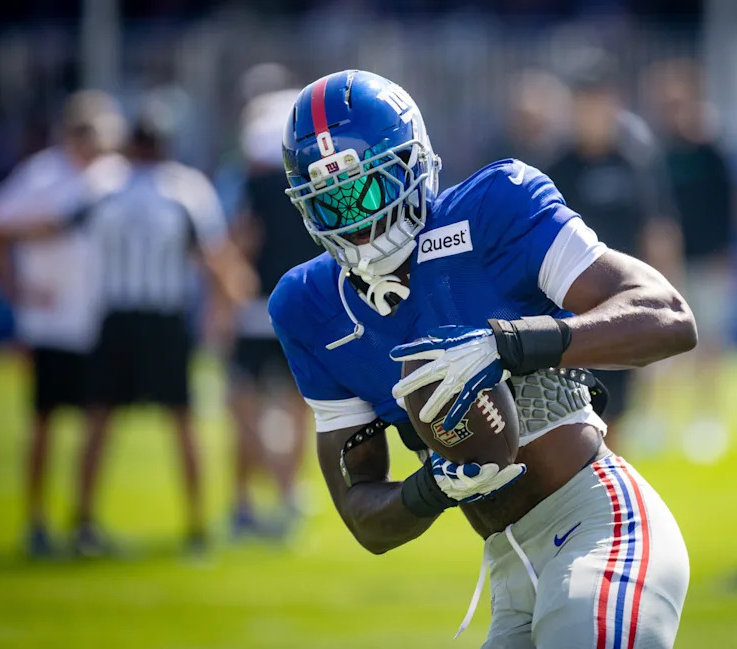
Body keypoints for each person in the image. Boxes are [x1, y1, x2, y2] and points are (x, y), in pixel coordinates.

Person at [270, 70, 696, 648]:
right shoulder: (309, 306)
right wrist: (434, 488)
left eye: (364, 189)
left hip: (599, 529)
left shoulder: (495, 208)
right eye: (330, 203)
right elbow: (363, 517)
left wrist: (509, 344)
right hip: (508, 574)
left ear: (413, 164)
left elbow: (668, 317)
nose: (354, 220)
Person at [75, 107, 256, 554]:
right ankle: (194, 527)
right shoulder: (181, 187)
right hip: (156, 318)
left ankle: (85, 522)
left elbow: (68, 231)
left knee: (109, 419)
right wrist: (238, 293)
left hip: (125, 316)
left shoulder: (105, 183)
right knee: (171, 421)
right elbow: (215, 255)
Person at [0, 90, 126, 557]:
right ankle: (36, 522)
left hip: (100, 318)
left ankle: (84, 521)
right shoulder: (42, 175)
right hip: (50, 323)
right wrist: (17, 291)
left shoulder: (113, 178)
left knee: (98, 423)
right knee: (45, 425)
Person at [545, 55, 681, 438]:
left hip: (621, 302)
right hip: (571, 306)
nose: (592, 111)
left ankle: (610, 485)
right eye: (584, 102)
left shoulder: (635, 162)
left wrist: (661, 293)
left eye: (599, 100)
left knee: (616, 410)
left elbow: (658, 231)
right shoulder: (559, 167)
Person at [226, 86, 320, 538]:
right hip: (302, 309)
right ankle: (288, 493)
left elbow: (242, 243)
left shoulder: (255, 186)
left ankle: (249, 500)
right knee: (297, 408)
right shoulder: (312, 186)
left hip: (255, 311)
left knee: (244, 408)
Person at [643, 59, 736, 461]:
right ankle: (658, 419)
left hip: (708, 260)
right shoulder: (656, 154)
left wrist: (726, 253)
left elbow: (730, 206)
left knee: (710, 341)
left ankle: (706, 419)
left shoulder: (711, 152)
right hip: (667, 264)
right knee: (660, 343)